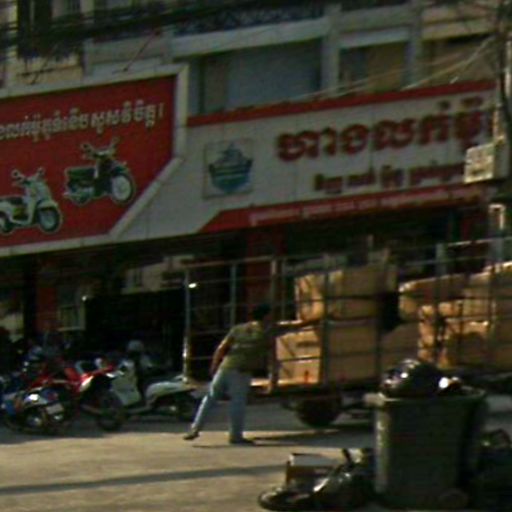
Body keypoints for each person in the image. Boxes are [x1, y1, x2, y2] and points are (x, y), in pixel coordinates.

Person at [183, 303, 315, 445]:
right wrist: (316, 318)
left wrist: (214, 366)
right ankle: (235, 436)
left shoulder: (238, 328)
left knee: (210, 399)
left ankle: (195, 429)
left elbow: (221, 348)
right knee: (237, 403)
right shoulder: (268, 330)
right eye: (271, 314)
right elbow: (295, 327)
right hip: (241, 371)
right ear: (266, 316)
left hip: (225, 367)